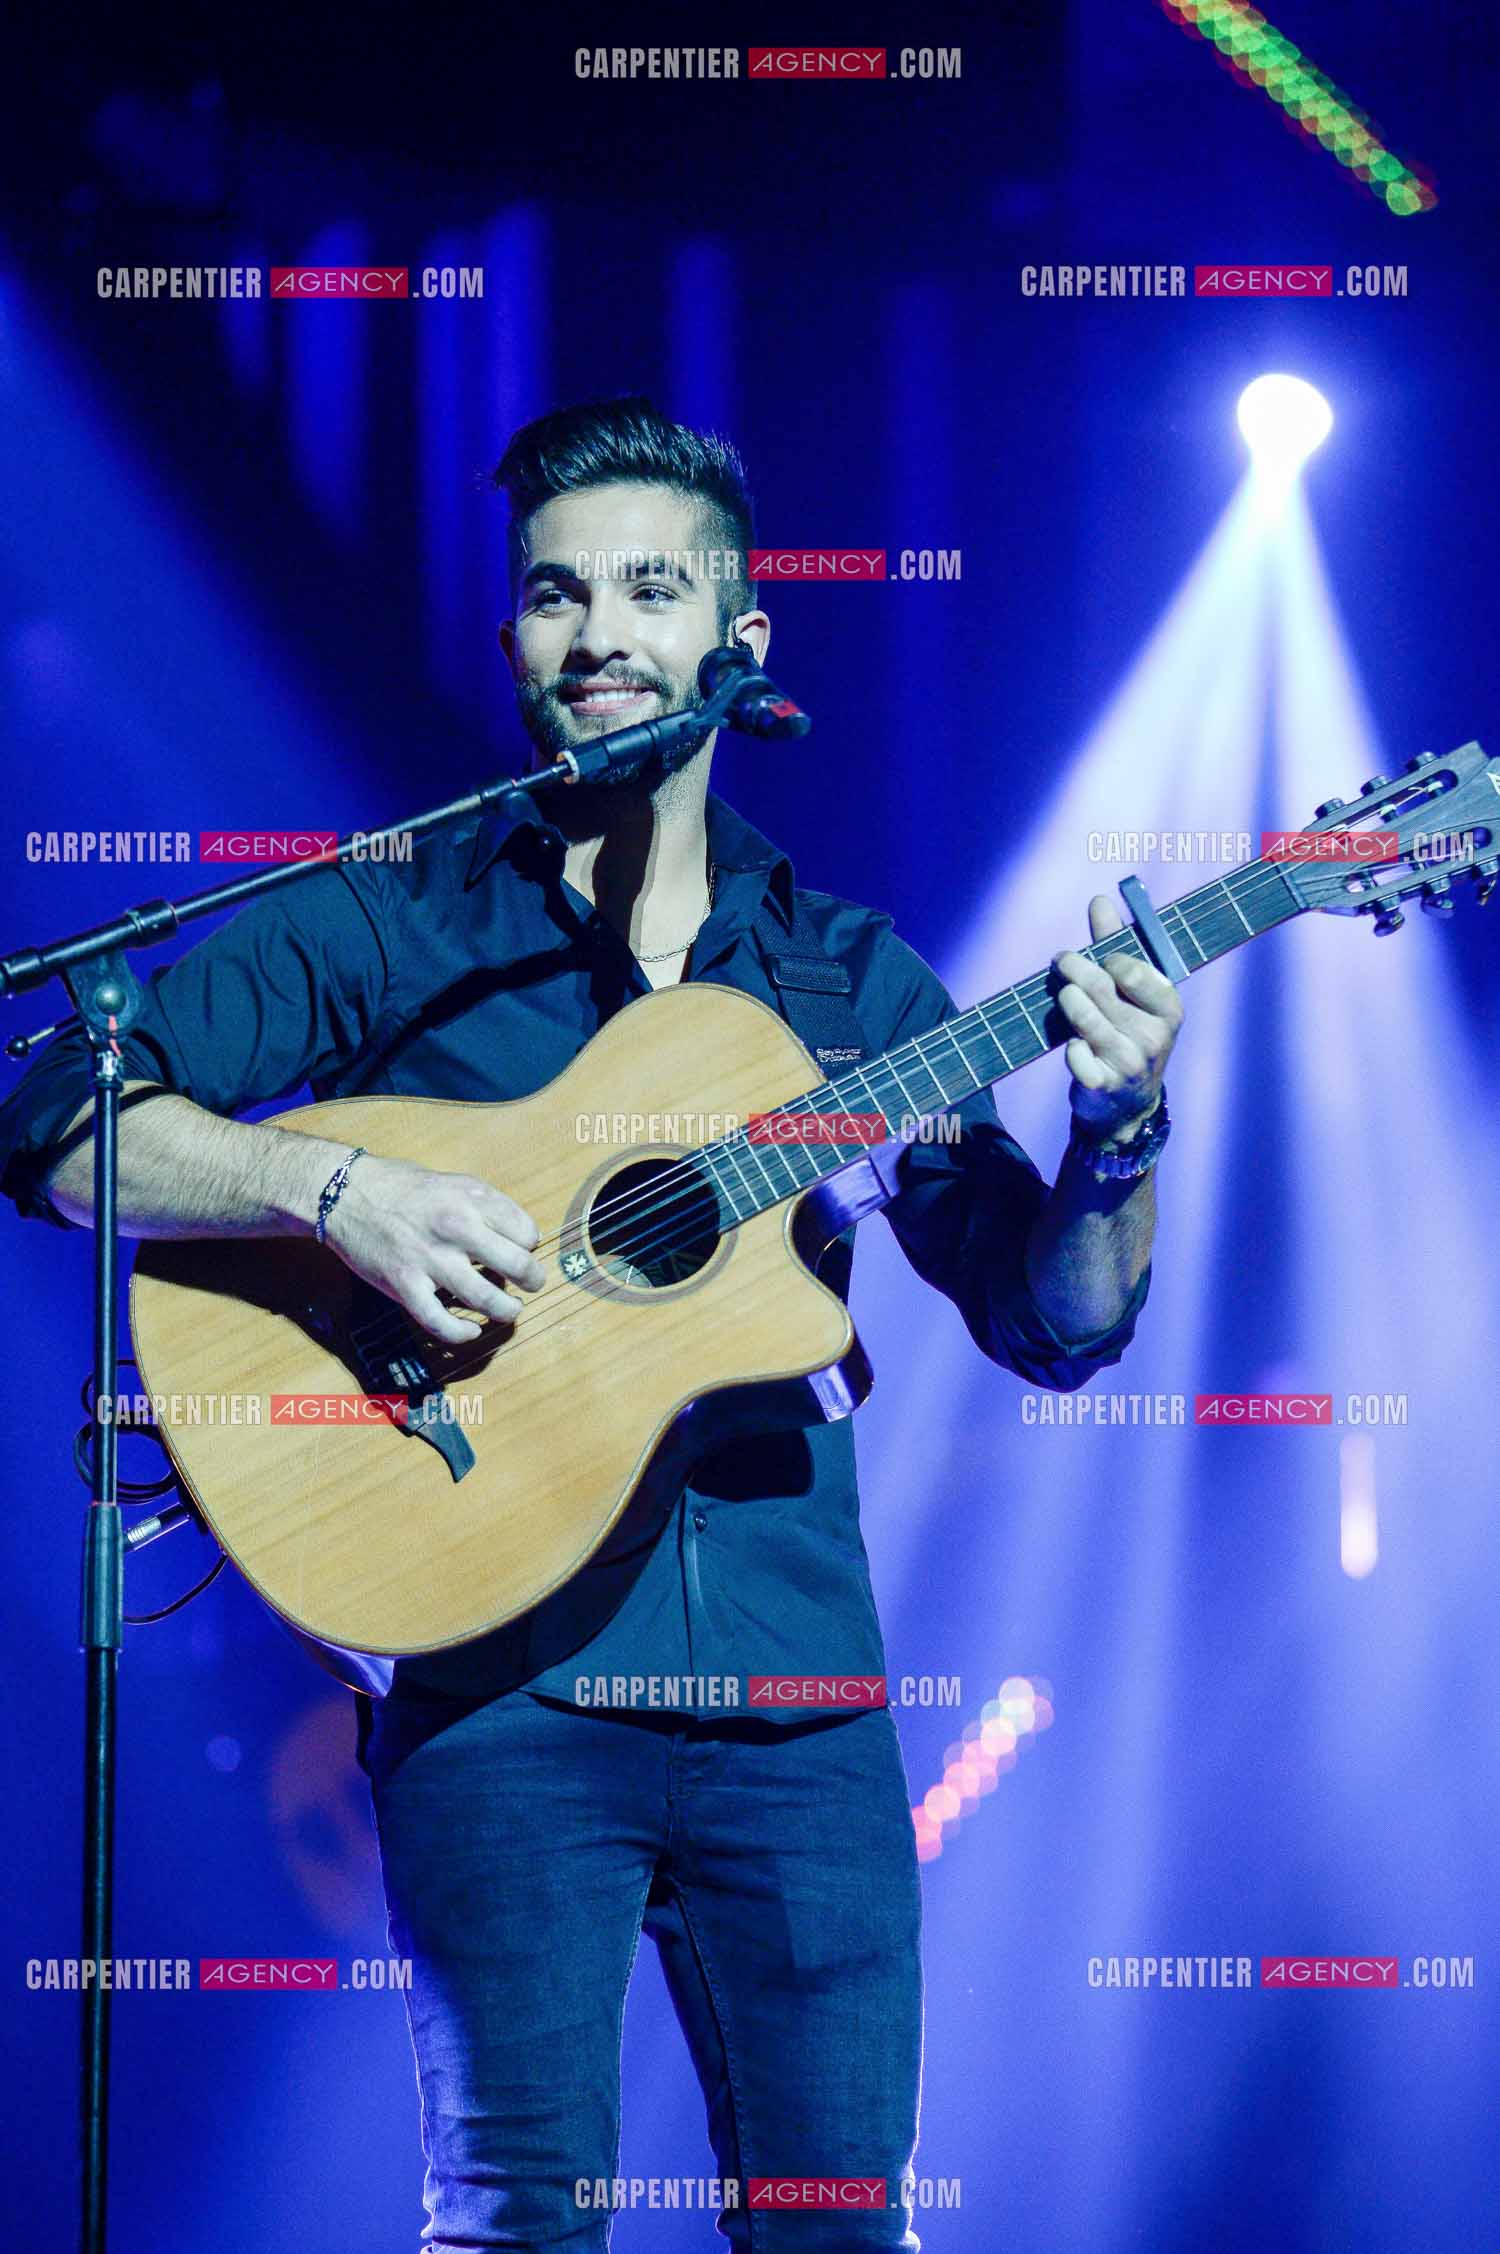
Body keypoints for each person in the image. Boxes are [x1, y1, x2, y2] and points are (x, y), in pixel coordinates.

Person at [0, 397, 1181, 2251]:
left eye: (650, 588)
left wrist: (1117, 1133)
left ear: (741, 641)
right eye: (558, 595)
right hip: (491, 1683)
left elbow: (1060, 1326)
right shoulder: (394, 925)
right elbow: (60, 1119)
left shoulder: (848, 980)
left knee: (838, 2227)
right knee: (512, 2224)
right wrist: (339, 1193)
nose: (603, 632)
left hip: (800, 1708)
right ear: (515, 643)